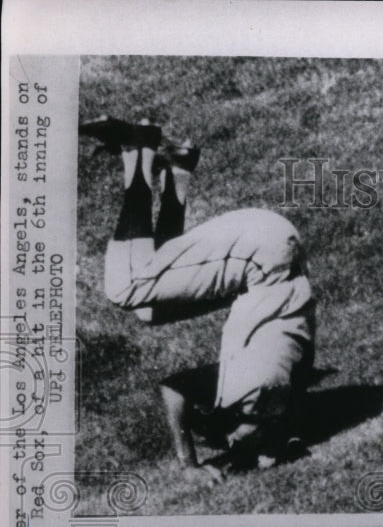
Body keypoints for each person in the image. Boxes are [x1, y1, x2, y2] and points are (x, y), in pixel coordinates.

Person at [79, 116, 316, 483]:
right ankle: (137, 150)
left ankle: (178, 170)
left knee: (149, 309)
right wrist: (194, 464)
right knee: (126, 287)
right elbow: (175, 388)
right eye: (228, 441)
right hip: (260, 254)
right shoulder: (253, 387)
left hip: (271, 264)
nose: (226, 445)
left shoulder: (278, 403)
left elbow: (266, 430)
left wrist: (252, 450)